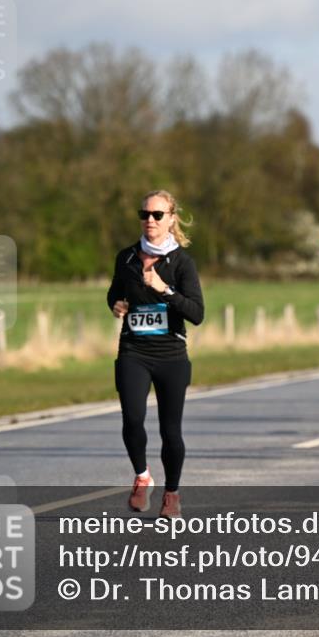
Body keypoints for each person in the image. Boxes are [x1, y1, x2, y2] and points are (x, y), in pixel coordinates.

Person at [108, 190, 204, 518]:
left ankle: (172, 493)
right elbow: (114, 294)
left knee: (169, 430)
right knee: (133, 419)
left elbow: (196, 313)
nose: (150, 220)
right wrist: (116, 305)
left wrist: (166, 290)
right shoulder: (127, 258)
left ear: (171, 219)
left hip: (171, 356)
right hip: (133, 350)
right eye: (145, 214)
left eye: (157, 215)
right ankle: (142, 476)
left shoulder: (182, 262)